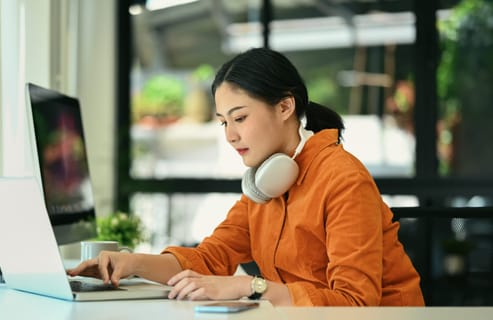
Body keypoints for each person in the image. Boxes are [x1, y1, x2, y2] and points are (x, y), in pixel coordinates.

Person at [68, 48, 425, 306]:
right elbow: (211, 257)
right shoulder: (266, 182)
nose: (230, 135)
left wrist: (247, 287)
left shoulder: (343, 179)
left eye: (240, 118)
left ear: (285, 106)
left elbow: (355, 305)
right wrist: (132, 264)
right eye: (224, 121)